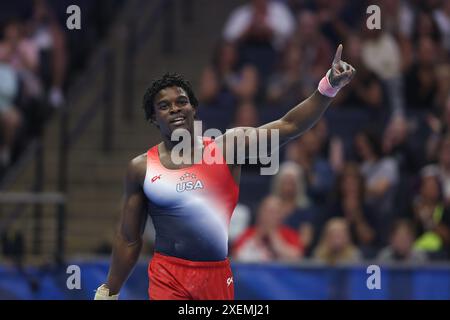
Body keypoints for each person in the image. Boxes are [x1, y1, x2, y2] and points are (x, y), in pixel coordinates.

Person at [94, 45, 355, 300]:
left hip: (216, 277)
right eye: (164, 106)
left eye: (181, 101)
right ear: (153, 117)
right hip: (167, 276)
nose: (174, 109)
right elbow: (129, 239)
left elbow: (290, 125)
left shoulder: (229, 146)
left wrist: (328, 86)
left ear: (193, 108)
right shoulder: (141, 168)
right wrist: (110, 290)